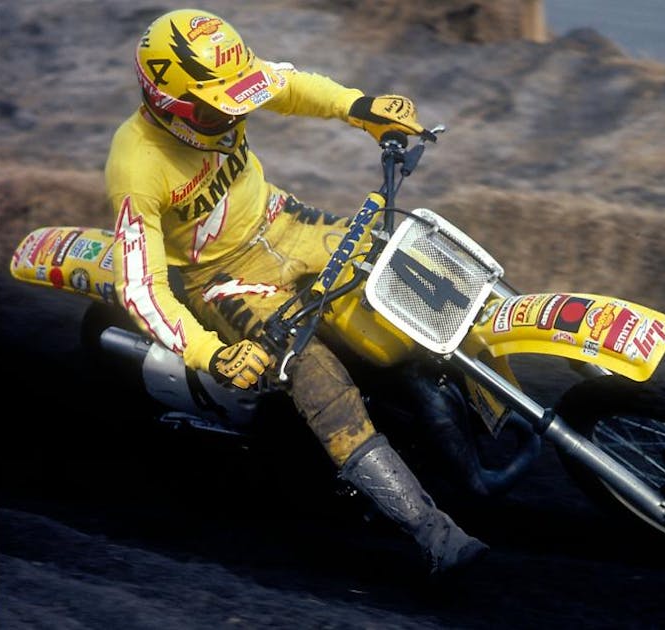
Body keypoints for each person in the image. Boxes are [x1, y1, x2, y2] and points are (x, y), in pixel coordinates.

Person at [106, 8, 487, 577]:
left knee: (408, 263)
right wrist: (212, 354)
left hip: (287, 221)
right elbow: (140, 286)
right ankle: (433, 532)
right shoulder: (136, 163)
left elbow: (288, 85)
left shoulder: (224, 85)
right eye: (218, 108)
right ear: (170, 104)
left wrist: (360, 108)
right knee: (313, 371)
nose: (234, 114)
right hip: (223, 277)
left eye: (237, 100)